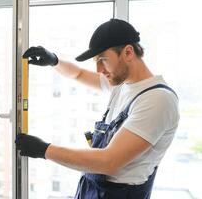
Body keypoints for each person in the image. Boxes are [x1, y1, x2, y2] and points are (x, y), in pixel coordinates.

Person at [16, 18, 179, 199]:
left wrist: (44, 150)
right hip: (91, 188)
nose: (99, 69)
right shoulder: (121, 85)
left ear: (128, 52)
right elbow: (78, 74)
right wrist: (54, 61)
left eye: (102, 60)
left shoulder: (157, 99)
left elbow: (109, 162)